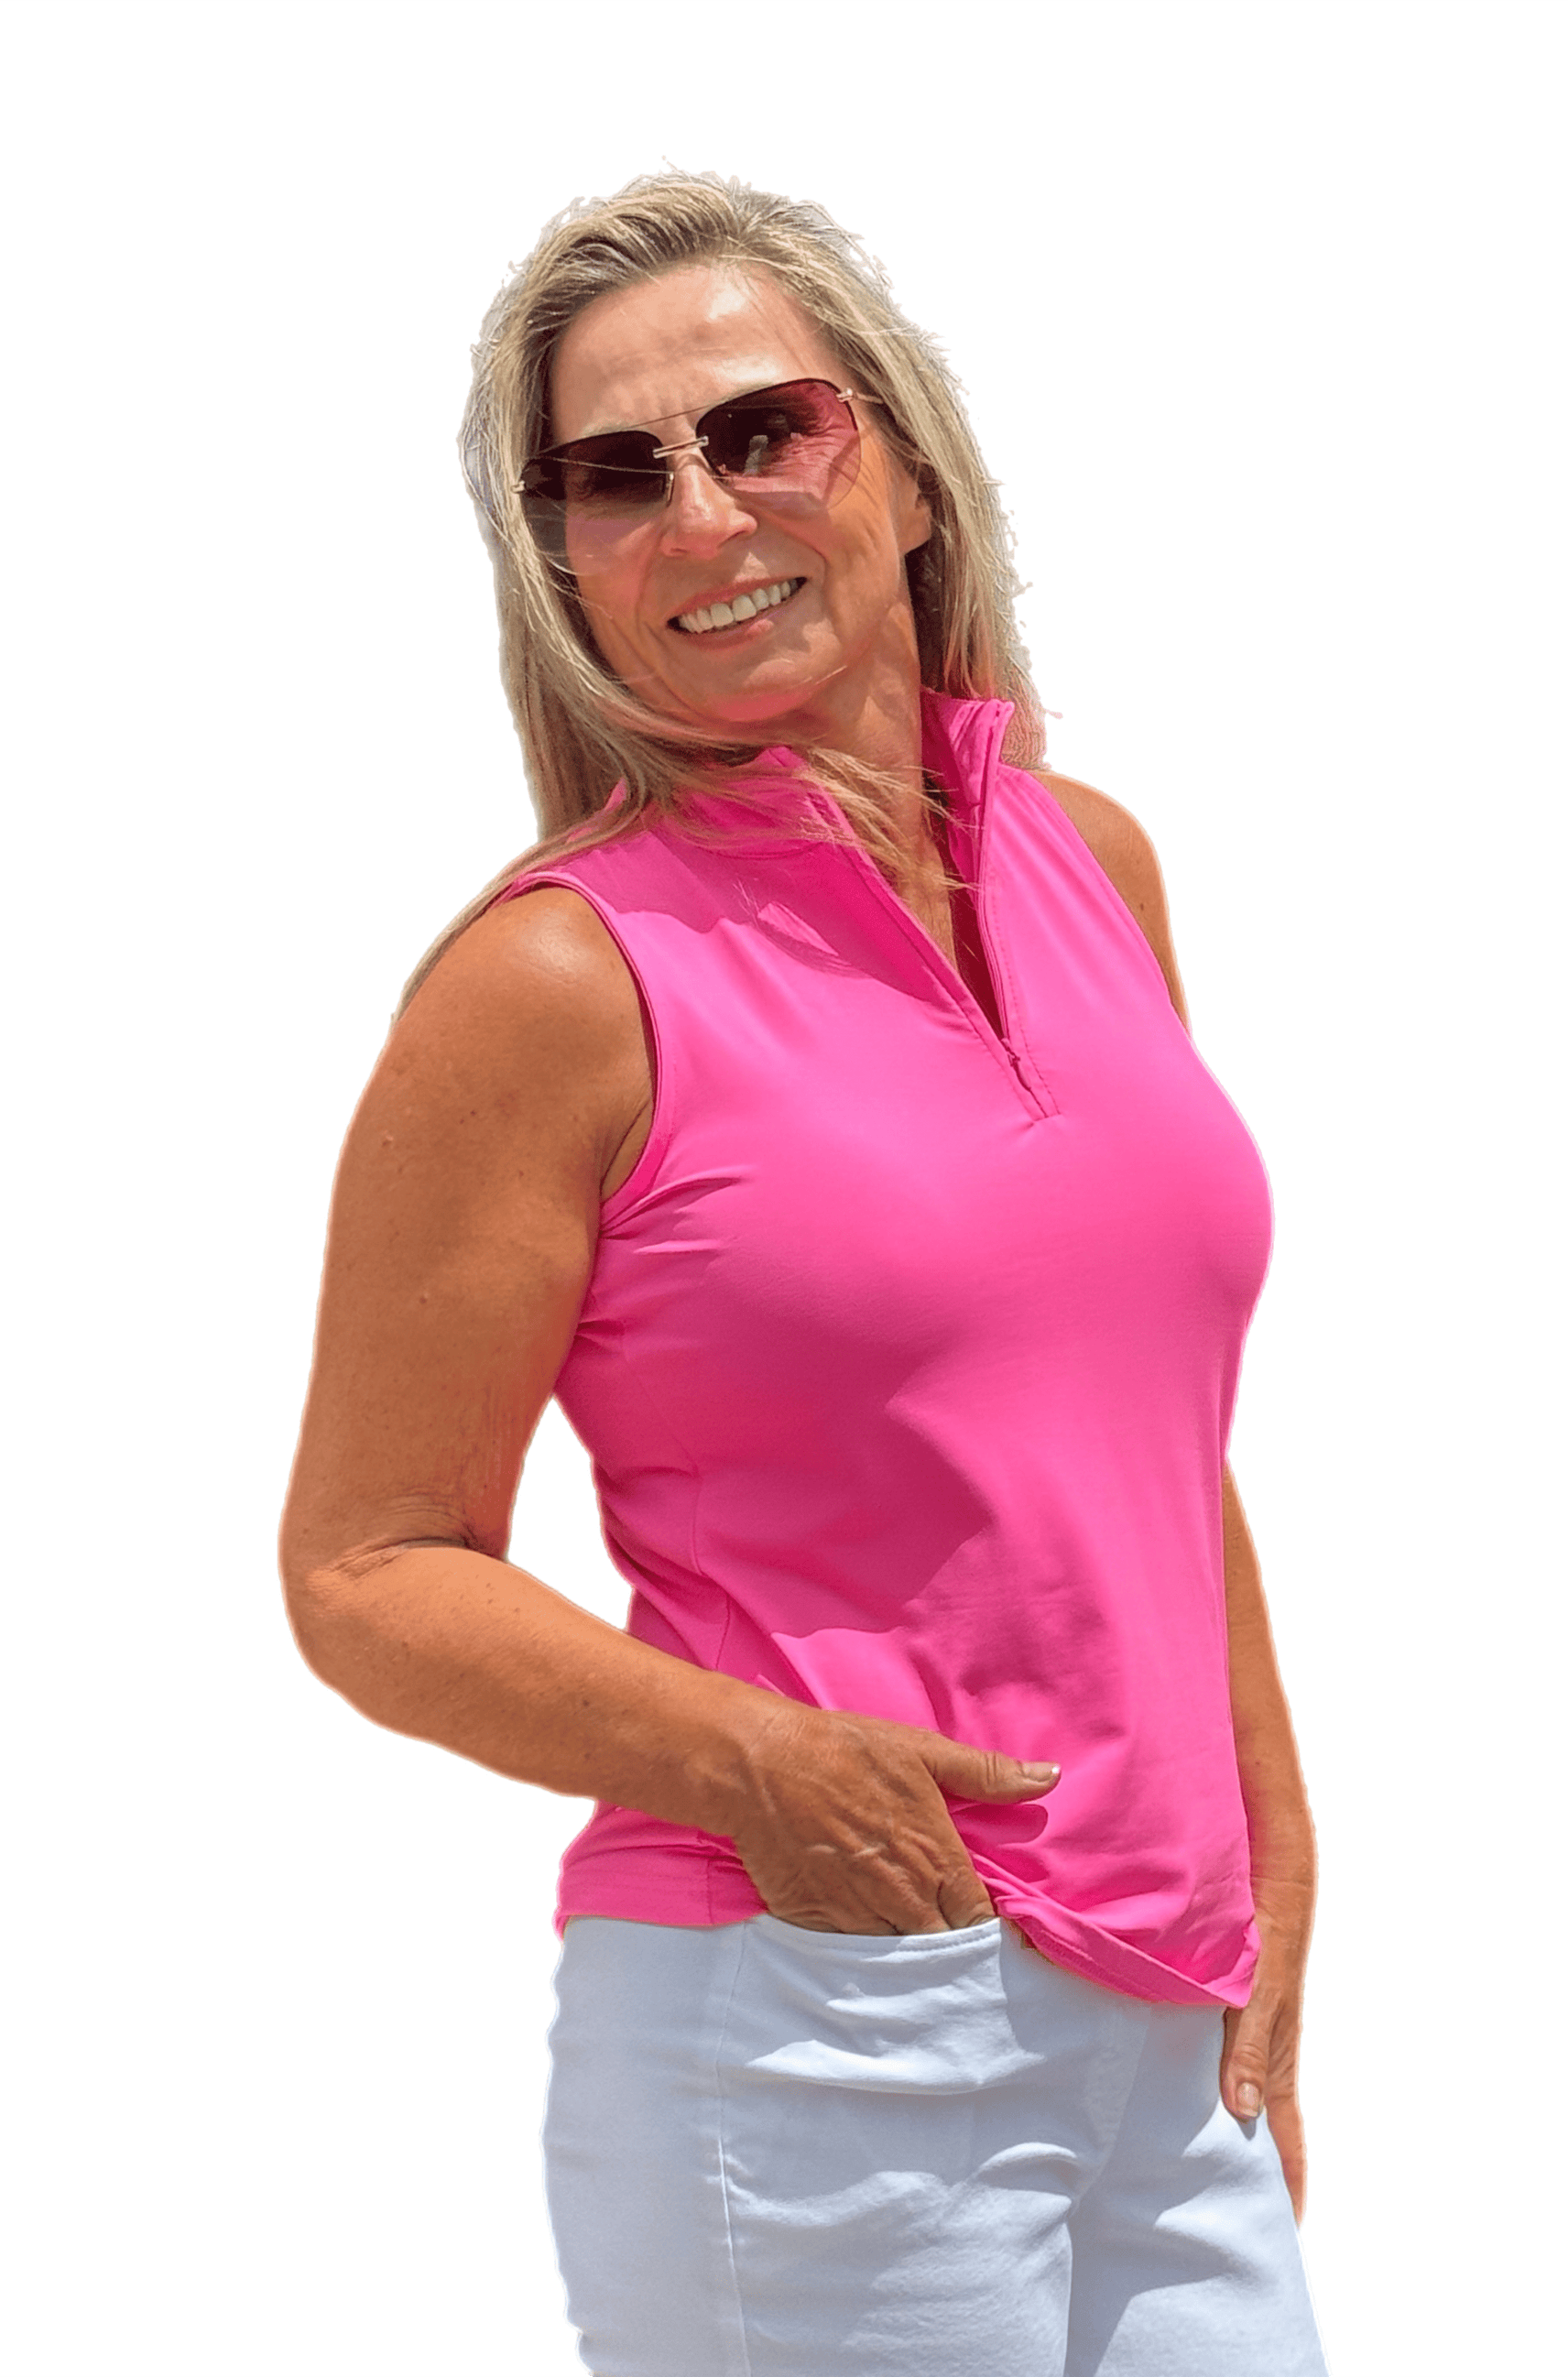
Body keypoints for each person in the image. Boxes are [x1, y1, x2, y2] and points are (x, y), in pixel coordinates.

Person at [279, 172, 1329, 2377]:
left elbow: (1135, 1421)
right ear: (563, 562)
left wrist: (1273, 1826)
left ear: (909, 471)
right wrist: (771, 1767)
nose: (702, 512)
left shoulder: (1091, 861)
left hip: (1170, 2014)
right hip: (819, 2024)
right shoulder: (554, 985)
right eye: (616, 474)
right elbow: (367, 1565)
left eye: (765, 430)